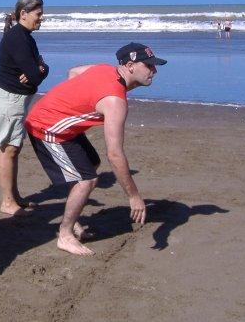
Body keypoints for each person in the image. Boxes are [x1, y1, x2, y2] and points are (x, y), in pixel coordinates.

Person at [25, 42, 167, 256]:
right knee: (87, 179)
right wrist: (134, 196)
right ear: (130, 66)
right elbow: (115, 154)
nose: (154, 71)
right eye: (148, 66)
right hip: (46, 126)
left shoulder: (104, 69)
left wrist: (73, 104)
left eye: (154, 66)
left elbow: (73, 72)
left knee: (91, 163)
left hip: (59, 123)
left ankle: (71, 216)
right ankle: (65, 234)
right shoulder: (115, 101)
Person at [0, 0, 49, 216]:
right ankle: (7, 202)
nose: (42, 18)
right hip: (8, 99)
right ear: (24, 14)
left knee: (14, 148)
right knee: (8, 149)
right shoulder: (18, 38)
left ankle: (15, 196)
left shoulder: (25, 37)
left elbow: (38, 69)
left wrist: (41, 69)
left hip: (14, 99)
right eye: (38, 14)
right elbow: (34, 73)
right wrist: (38, 70)